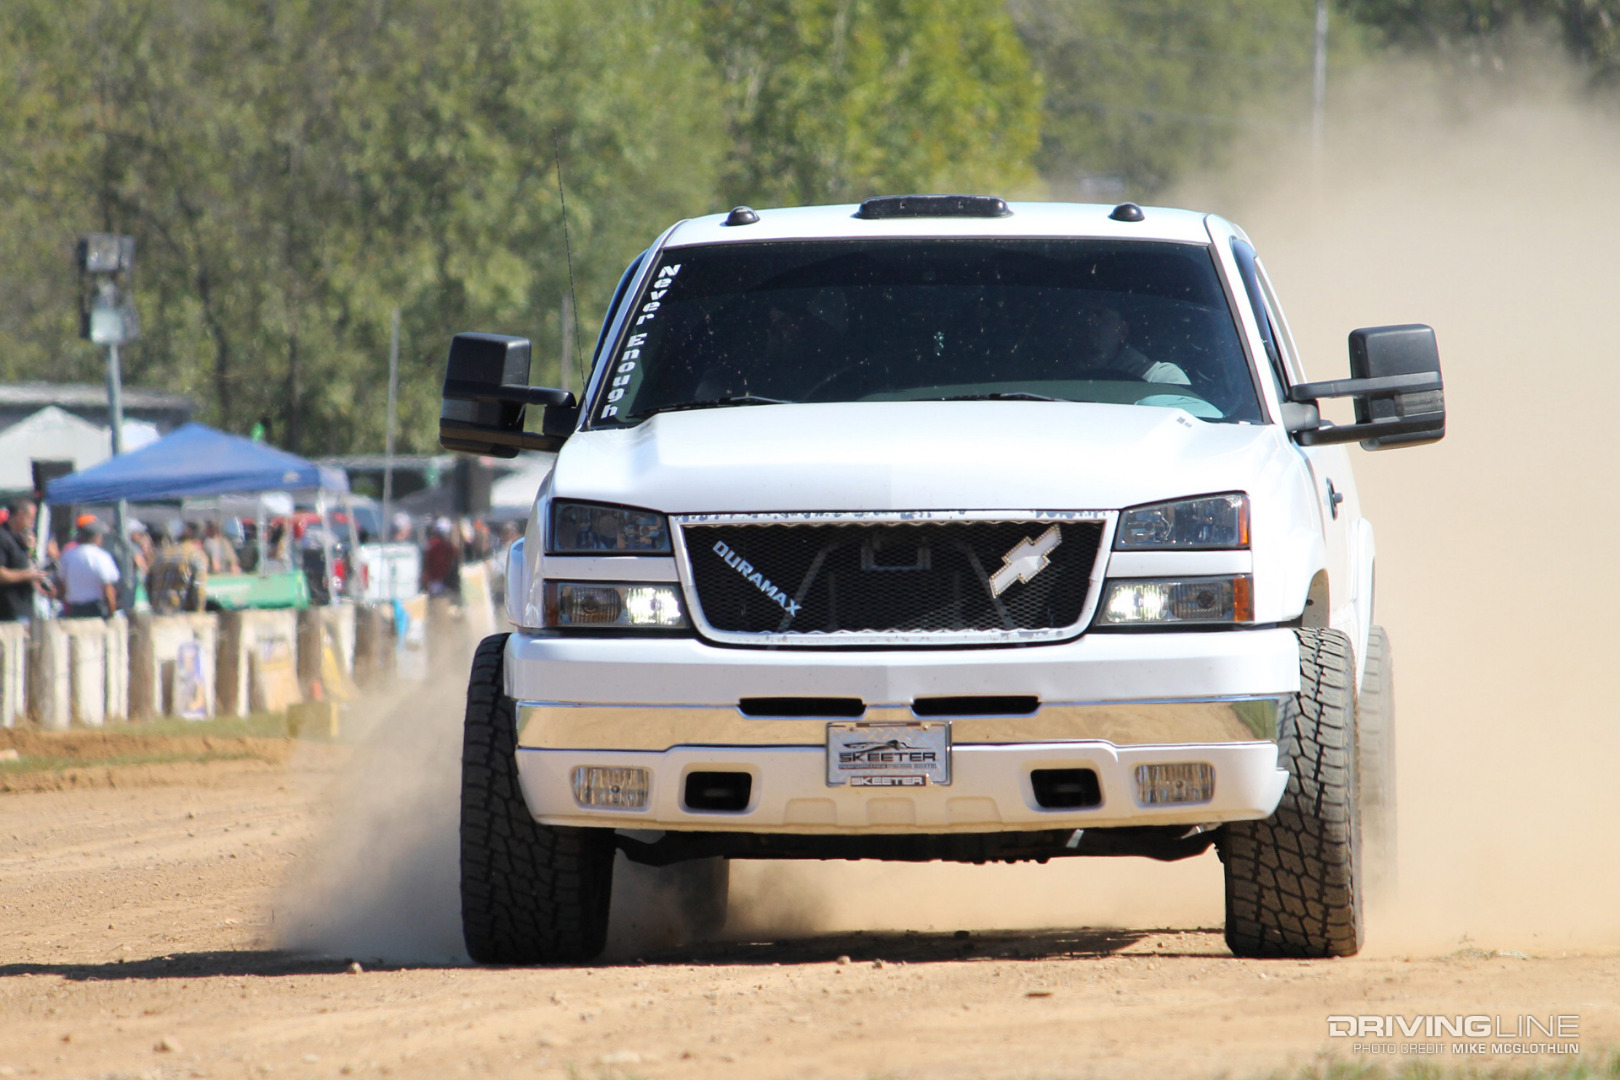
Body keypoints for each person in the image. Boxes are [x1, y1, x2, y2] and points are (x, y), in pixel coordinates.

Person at [1067, 298, 1190, 385]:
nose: (1091, 321)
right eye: (1084, 314)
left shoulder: (1162, 379)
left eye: (1101, 315)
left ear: (1123, 331)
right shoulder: (1053, 377)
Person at [0, 498, 52, 622]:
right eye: (31, 519)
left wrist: (30, 551)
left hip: (25, 606)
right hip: (9, 610)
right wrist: (29, 575)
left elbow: (21, 565)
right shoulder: (2, 537)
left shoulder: (19, 538)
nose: (32, 524)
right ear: (20, 515)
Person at [58, 520, 120, 618]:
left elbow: (62, 585)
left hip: (74, 609)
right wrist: (111, 614)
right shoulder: (101, 556)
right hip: (95, 608)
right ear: (97, 537)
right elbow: (108, 590)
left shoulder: (68, 555)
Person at [423, 517, 461, 597]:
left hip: (434, 579)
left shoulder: (431, 544)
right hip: (437, 580)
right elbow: (456, 554)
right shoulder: (444, 546)